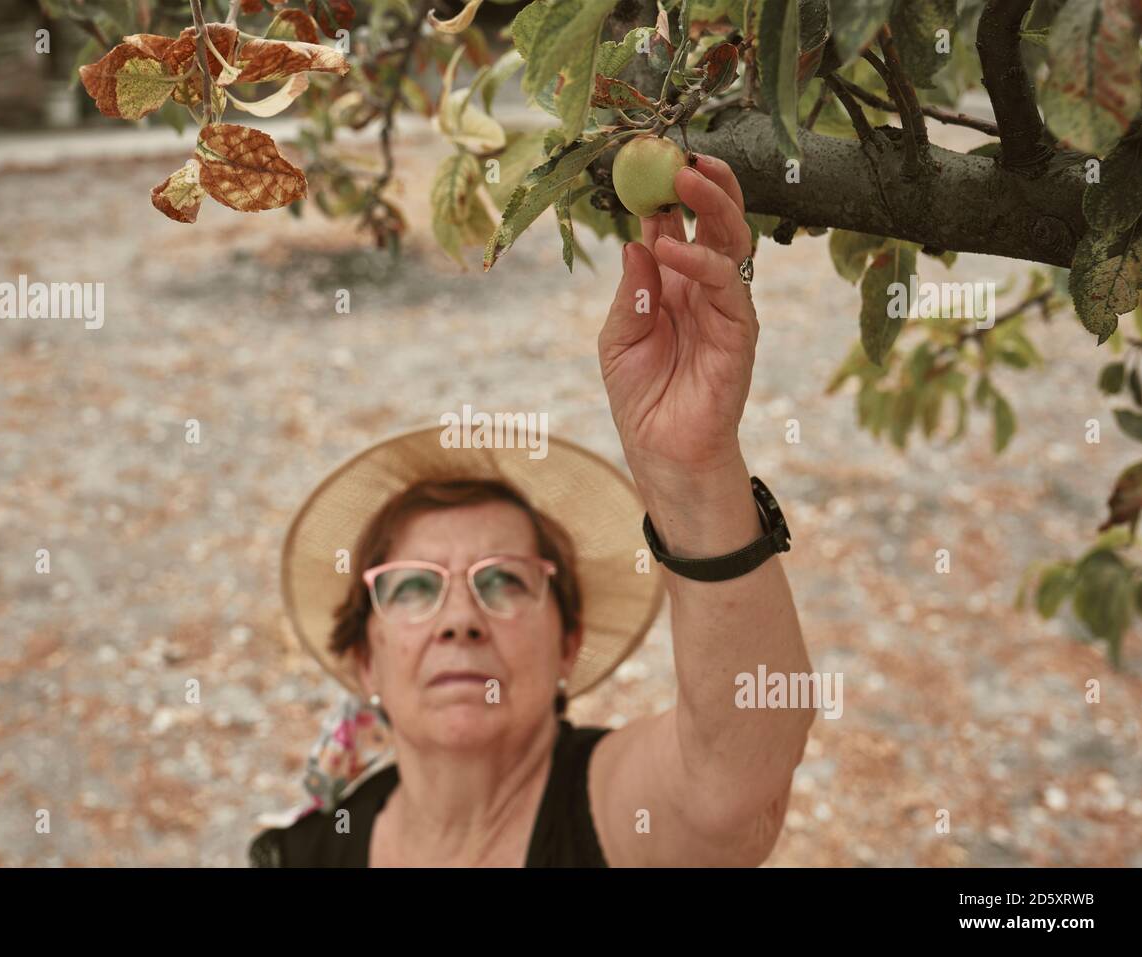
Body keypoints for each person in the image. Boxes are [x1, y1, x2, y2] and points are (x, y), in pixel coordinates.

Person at [249, 152, 814, 867]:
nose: (460, 619)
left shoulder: (609, 811)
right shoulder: (301, 856)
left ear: (568, 643)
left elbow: (733, 787)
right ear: (366, 660)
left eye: (505, 580)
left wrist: (693, 472)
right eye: (414, 586)